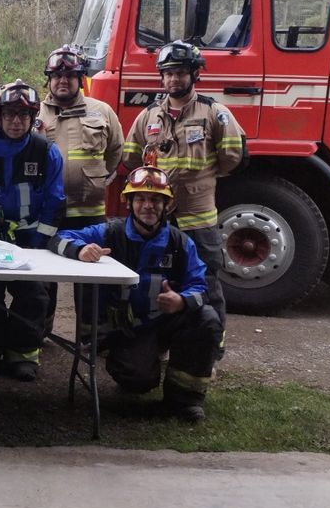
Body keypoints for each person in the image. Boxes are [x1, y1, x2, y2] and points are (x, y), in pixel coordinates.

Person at [50, 165, 222, 422]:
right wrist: (80, 250)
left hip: (165, 322)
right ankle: (132, 363)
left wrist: (181, 301)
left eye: (155, 200)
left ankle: (184, 401)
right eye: (140, 198)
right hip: (127, 329)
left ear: (166, 206)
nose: (148, 206)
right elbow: (58, 238)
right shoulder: (109, 233)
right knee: (138, 381)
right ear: (129, 203)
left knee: (206, 318)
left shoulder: (180, 243)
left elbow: (200, 286)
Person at [122, 40, 246, 330]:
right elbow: (131, 158)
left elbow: (233, 158)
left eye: (180, 72)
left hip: (198, 219)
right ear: (161, 77)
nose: (174, 79)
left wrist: (200, 180)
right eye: (168, 73)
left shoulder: (214, 113)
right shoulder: (149, 115)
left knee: (206, 282)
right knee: (158, 278)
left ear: (194, 74)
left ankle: (210, 348)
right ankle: (162, 340)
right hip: (158, 218)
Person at [0, 80, 65, 381]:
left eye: (24, 115)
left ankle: (22, 354)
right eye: (10, 114)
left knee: (34, 294)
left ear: (33, 117)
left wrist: (38, 243)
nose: (17, 121)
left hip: (31, 239)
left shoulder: (46, 152)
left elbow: (54, 200)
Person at [37, 44, 125, 336]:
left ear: (80, 79)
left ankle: (90, 337)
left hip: (88, 212)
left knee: (89, 278)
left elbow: (115, 153)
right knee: (43, 276)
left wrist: (95, 180)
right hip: (48, 211)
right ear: (49, 79)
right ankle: (40, 332)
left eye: (70, 76)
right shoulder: (35, 113)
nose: (63, 81)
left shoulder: (102, 111)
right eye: (57, 76)